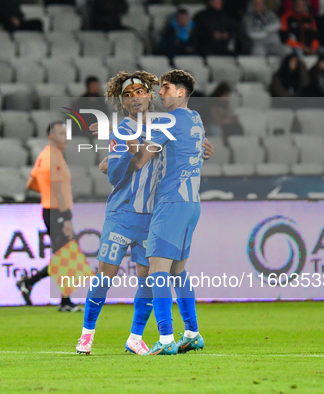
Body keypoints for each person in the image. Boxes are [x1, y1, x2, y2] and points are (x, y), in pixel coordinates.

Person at [76, 72, 214, 356]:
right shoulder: (122, 130)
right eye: (127, 95)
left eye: (140, 91)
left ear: (149, 96)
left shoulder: (163, 123)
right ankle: (87, 334)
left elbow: (181, 142)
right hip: (123, 214)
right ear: (123, 104)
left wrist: (200, 147)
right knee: (105, 277)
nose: (134, 97)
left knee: (150, 281)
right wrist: (124, 154)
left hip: (153, 215)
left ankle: (135, 337)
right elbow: (113, 174)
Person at [140, 70, 206, 355]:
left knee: (157, 271)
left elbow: (144, 155)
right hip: (191, 203)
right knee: (178, 271)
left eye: (166, 88)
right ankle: (191, 333)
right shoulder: (195, 118)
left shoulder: (168, 121)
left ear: (181, 92)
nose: (161, 93)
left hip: (171, 202)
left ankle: (166, 339)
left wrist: (115, 154)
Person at [17, 122, 81, 312]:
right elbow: (57, 188)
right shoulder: (54, 157)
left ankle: (30, 284)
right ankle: (63, 300)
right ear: (51, 136)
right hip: (57, 212)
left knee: (65, 255)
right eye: (61, 133)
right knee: (68, 255)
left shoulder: (44, 156)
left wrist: (45, 193)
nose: (65, 137)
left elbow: (31, 183)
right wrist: (66, 216)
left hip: (50, 210)